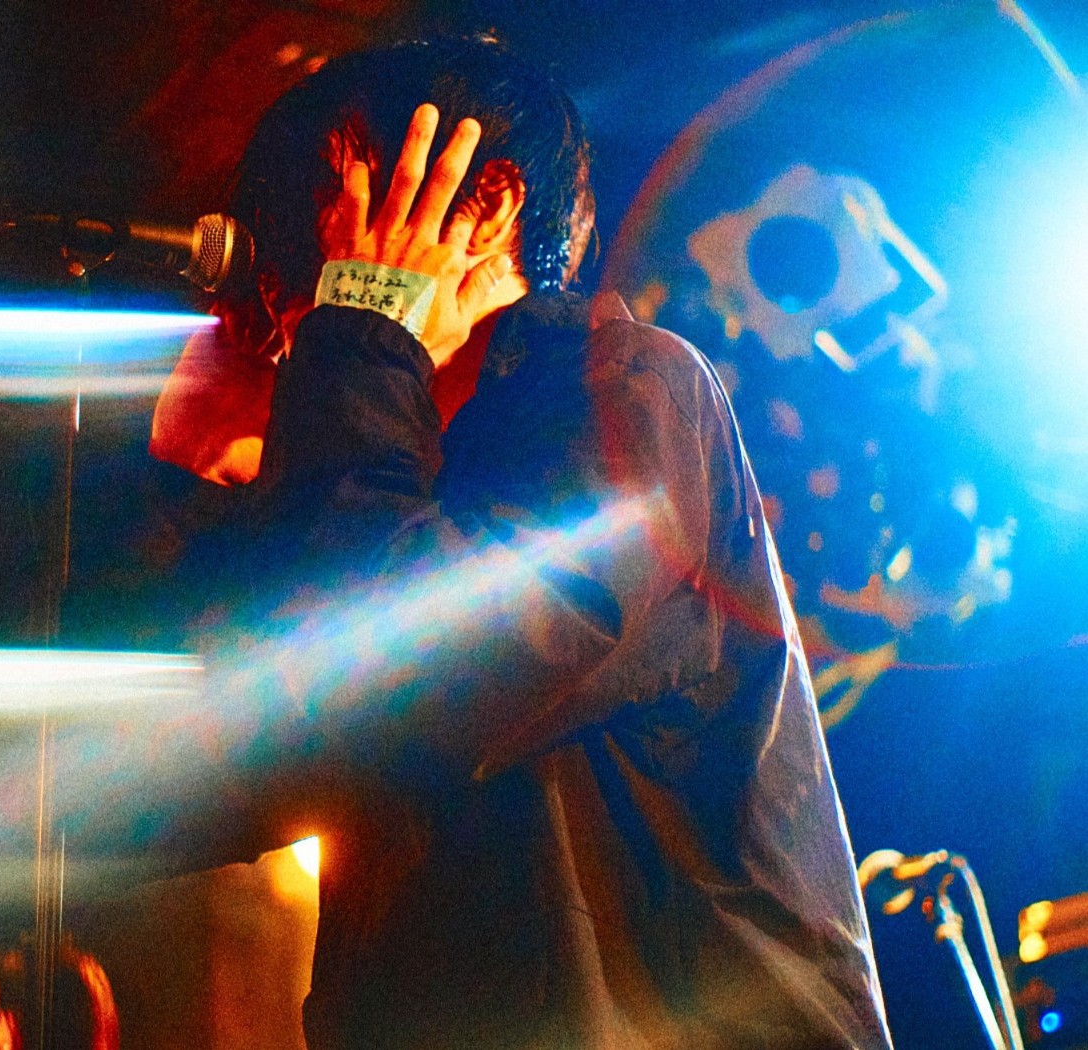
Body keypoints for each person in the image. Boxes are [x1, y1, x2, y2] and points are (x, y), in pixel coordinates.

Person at [139, 35, 893, 1050]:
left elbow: (403, 680)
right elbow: (223, 765)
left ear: (486, 204)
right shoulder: (387, 466)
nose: (276, 263)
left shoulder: (628, 390)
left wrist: (359, 334)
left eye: (321, 199)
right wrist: (188, 491)